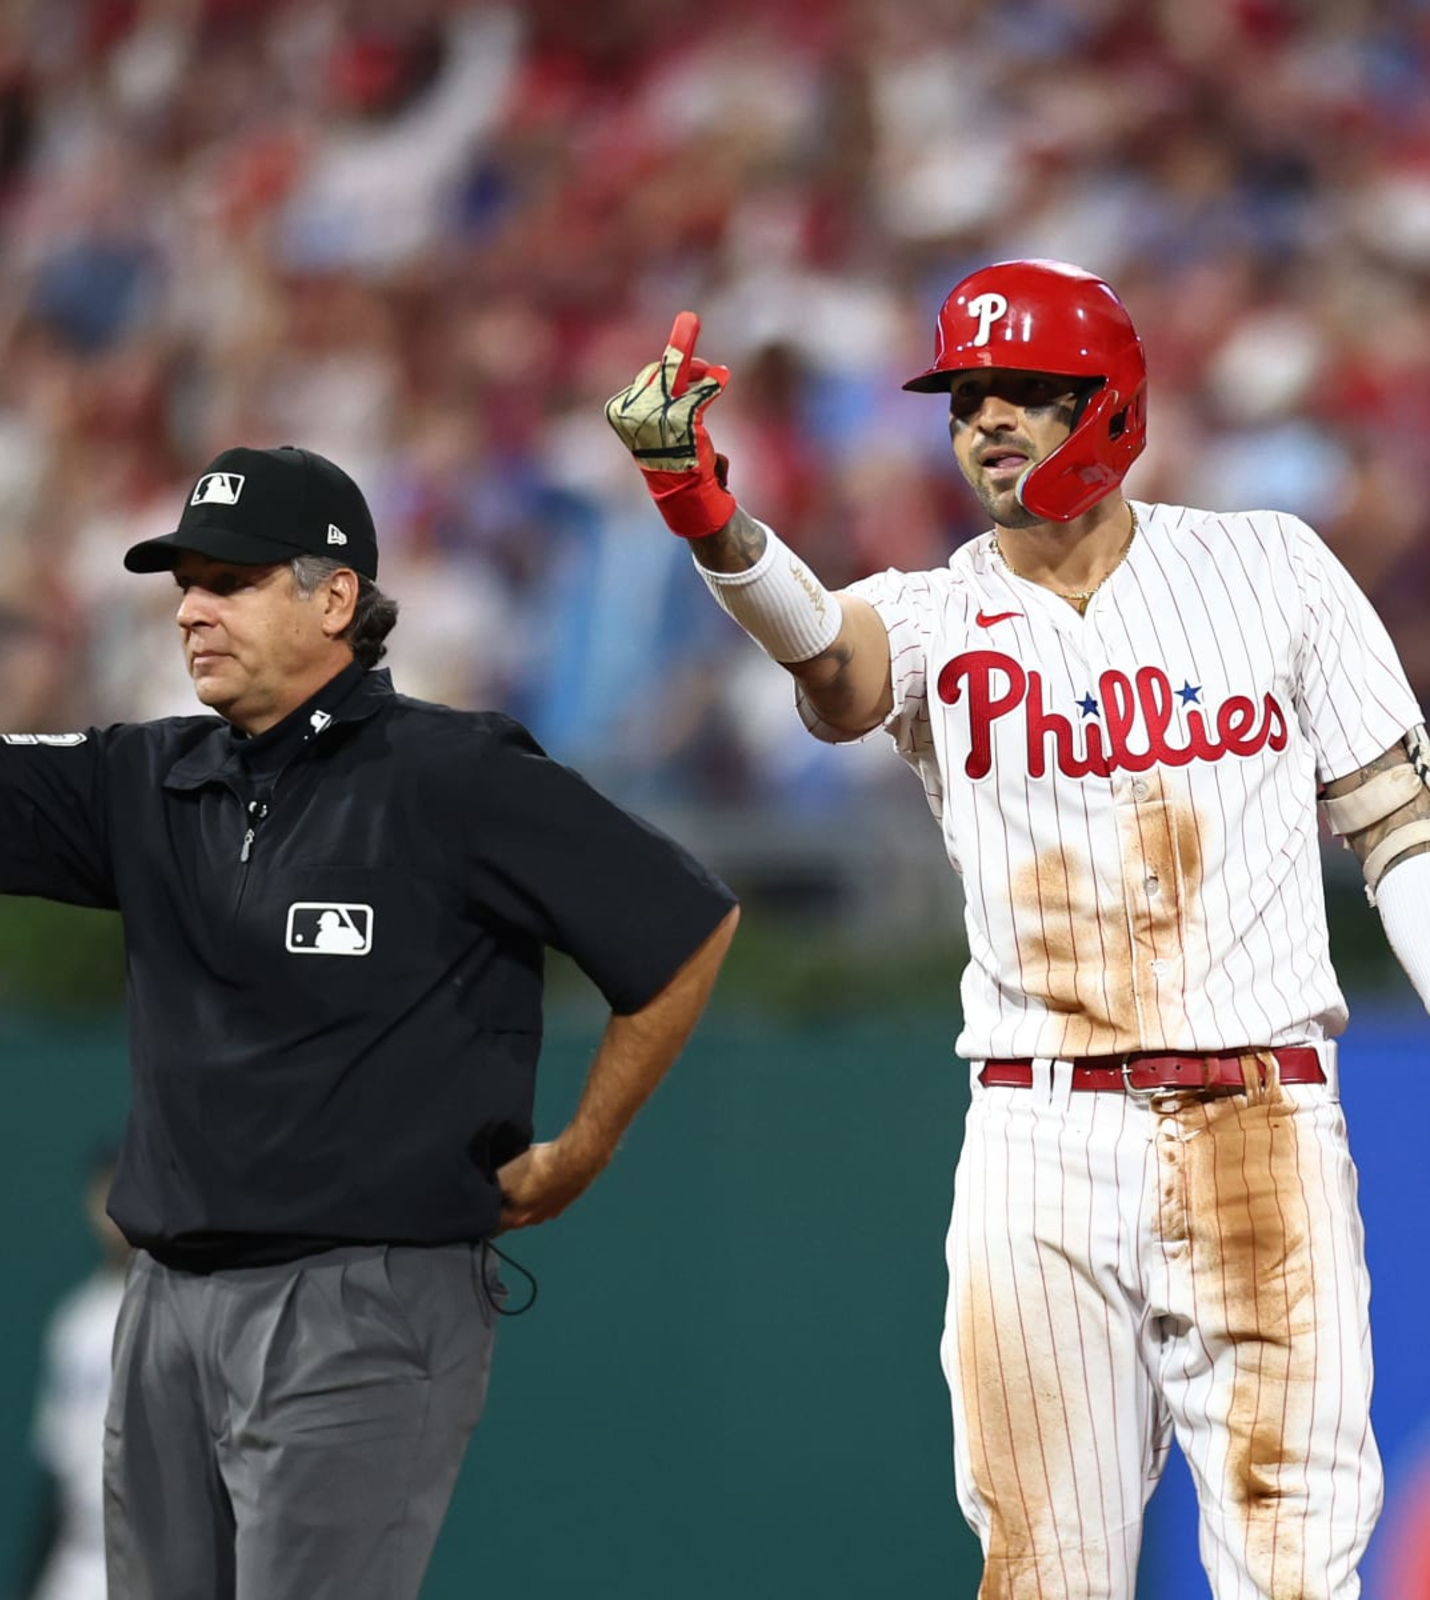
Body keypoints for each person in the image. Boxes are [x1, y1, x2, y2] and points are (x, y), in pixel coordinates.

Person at [604, 264, 1430, 1600]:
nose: (987, 419)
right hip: (1042, 1133)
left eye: (1024, 392)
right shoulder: (940, 611)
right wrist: (715, 525)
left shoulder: (1269, 566)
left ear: (1107, 403)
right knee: (1047, 1571)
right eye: (965, 396)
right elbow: (833, 657)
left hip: (1260, 1113)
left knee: (1298, 1568)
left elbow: (1398, 827)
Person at [0, 442, 739, 1600]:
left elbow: (679, 928)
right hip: (165, 1306)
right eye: (185, 585)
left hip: (360, 1298)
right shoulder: (149, 778)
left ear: (335, 597)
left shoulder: (453, 775)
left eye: (231, 580)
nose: (193, 610)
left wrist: (584, 1147)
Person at [19, 1145, 131, 1600]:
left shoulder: (183, 1312)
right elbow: (56, 1466)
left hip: (157, 1557)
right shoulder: (75, 1321)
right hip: (79, 1559)